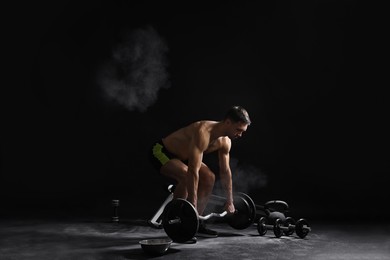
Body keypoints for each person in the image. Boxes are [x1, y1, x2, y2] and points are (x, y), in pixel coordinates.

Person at [150, 106, 251, 237]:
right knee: (186, 176)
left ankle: (195, 224)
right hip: (162, 151)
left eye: (243, 131)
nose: (240, 134)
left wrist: (230, 201)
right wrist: (192, 204)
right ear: (227, 122)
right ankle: (176, 221)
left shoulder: (225, 142)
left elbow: (226, 172)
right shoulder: (203, 132)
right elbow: (193, 171)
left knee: (209, 177)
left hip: (184, 157)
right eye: (238, 130)